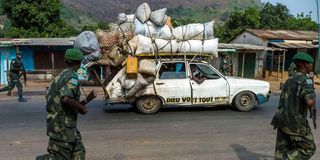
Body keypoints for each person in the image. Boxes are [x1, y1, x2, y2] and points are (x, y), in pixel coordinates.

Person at [36, 49, 87, 160]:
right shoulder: (73, 78)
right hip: (62, 127)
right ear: (79, 63)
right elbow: (65, 98)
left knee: (79, 151)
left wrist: (77, 105)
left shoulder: (60, 76)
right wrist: (81, 107)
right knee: (59, 157)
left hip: (64, 125)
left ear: (66, 61)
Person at [271, 52, 316, 160]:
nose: (311, 66)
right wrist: (313, 115)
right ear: (306, 64)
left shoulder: (289, 80)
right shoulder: (307, 80)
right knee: (309, 149)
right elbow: (310, 101)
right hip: (295, 123)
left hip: (281, 119)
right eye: (311, 64)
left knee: (281, 151)